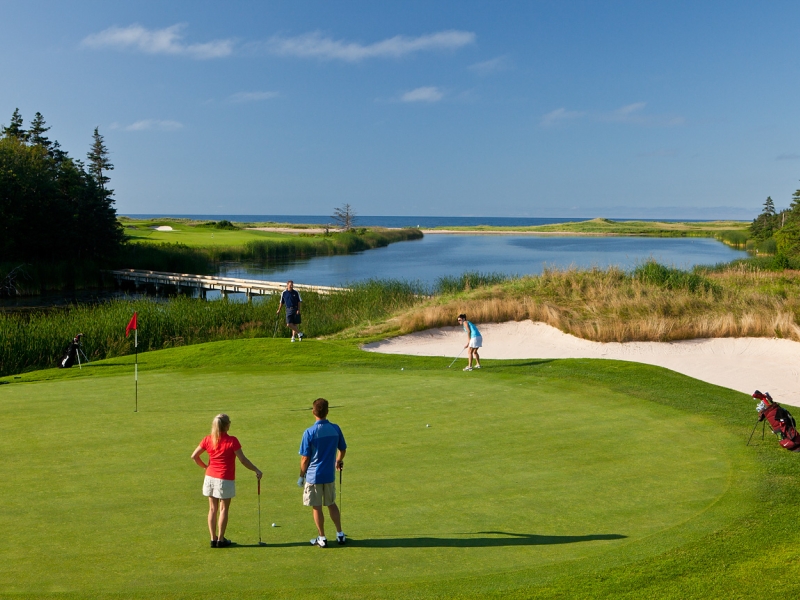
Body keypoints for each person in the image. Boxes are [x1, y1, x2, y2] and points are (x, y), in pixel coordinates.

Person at [191, 413, 262, 548]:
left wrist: (205, 467)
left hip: (210, 477)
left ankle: (213, 539)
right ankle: (221, 539)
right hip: (225, 479)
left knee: (212, 509)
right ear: (227, 425)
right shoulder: (232, 441)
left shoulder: (208, 439)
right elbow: (243, 460)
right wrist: (256, 470)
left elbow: (194, 456)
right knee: (223, 509)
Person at [299, 398, 347, 547]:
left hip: (314, 476)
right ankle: (340, 534)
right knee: (331, 504)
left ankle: (322, 537)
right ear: (327, 411)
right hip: (329, 475)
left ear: (313, 412)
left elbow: (305, 458)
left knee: (317, 507)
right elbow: (342, 449)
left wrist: (301, 476)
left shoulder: (309, 432)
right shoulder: (335, 428)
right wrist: (337, 461)